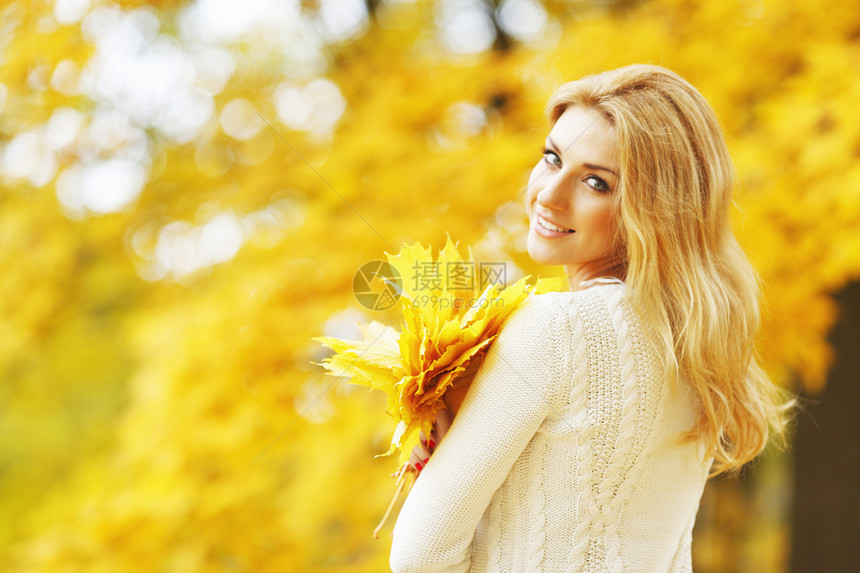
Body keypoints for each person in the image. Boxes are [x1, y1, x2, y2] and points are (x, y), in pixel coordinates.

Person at [389, 64, 792, 572]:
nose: (549, 195)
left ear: (653, 210)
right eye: (552, 157)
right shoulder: (697, 343)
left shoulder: (557, 328)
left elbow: (418, 558)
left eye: (596, 183)